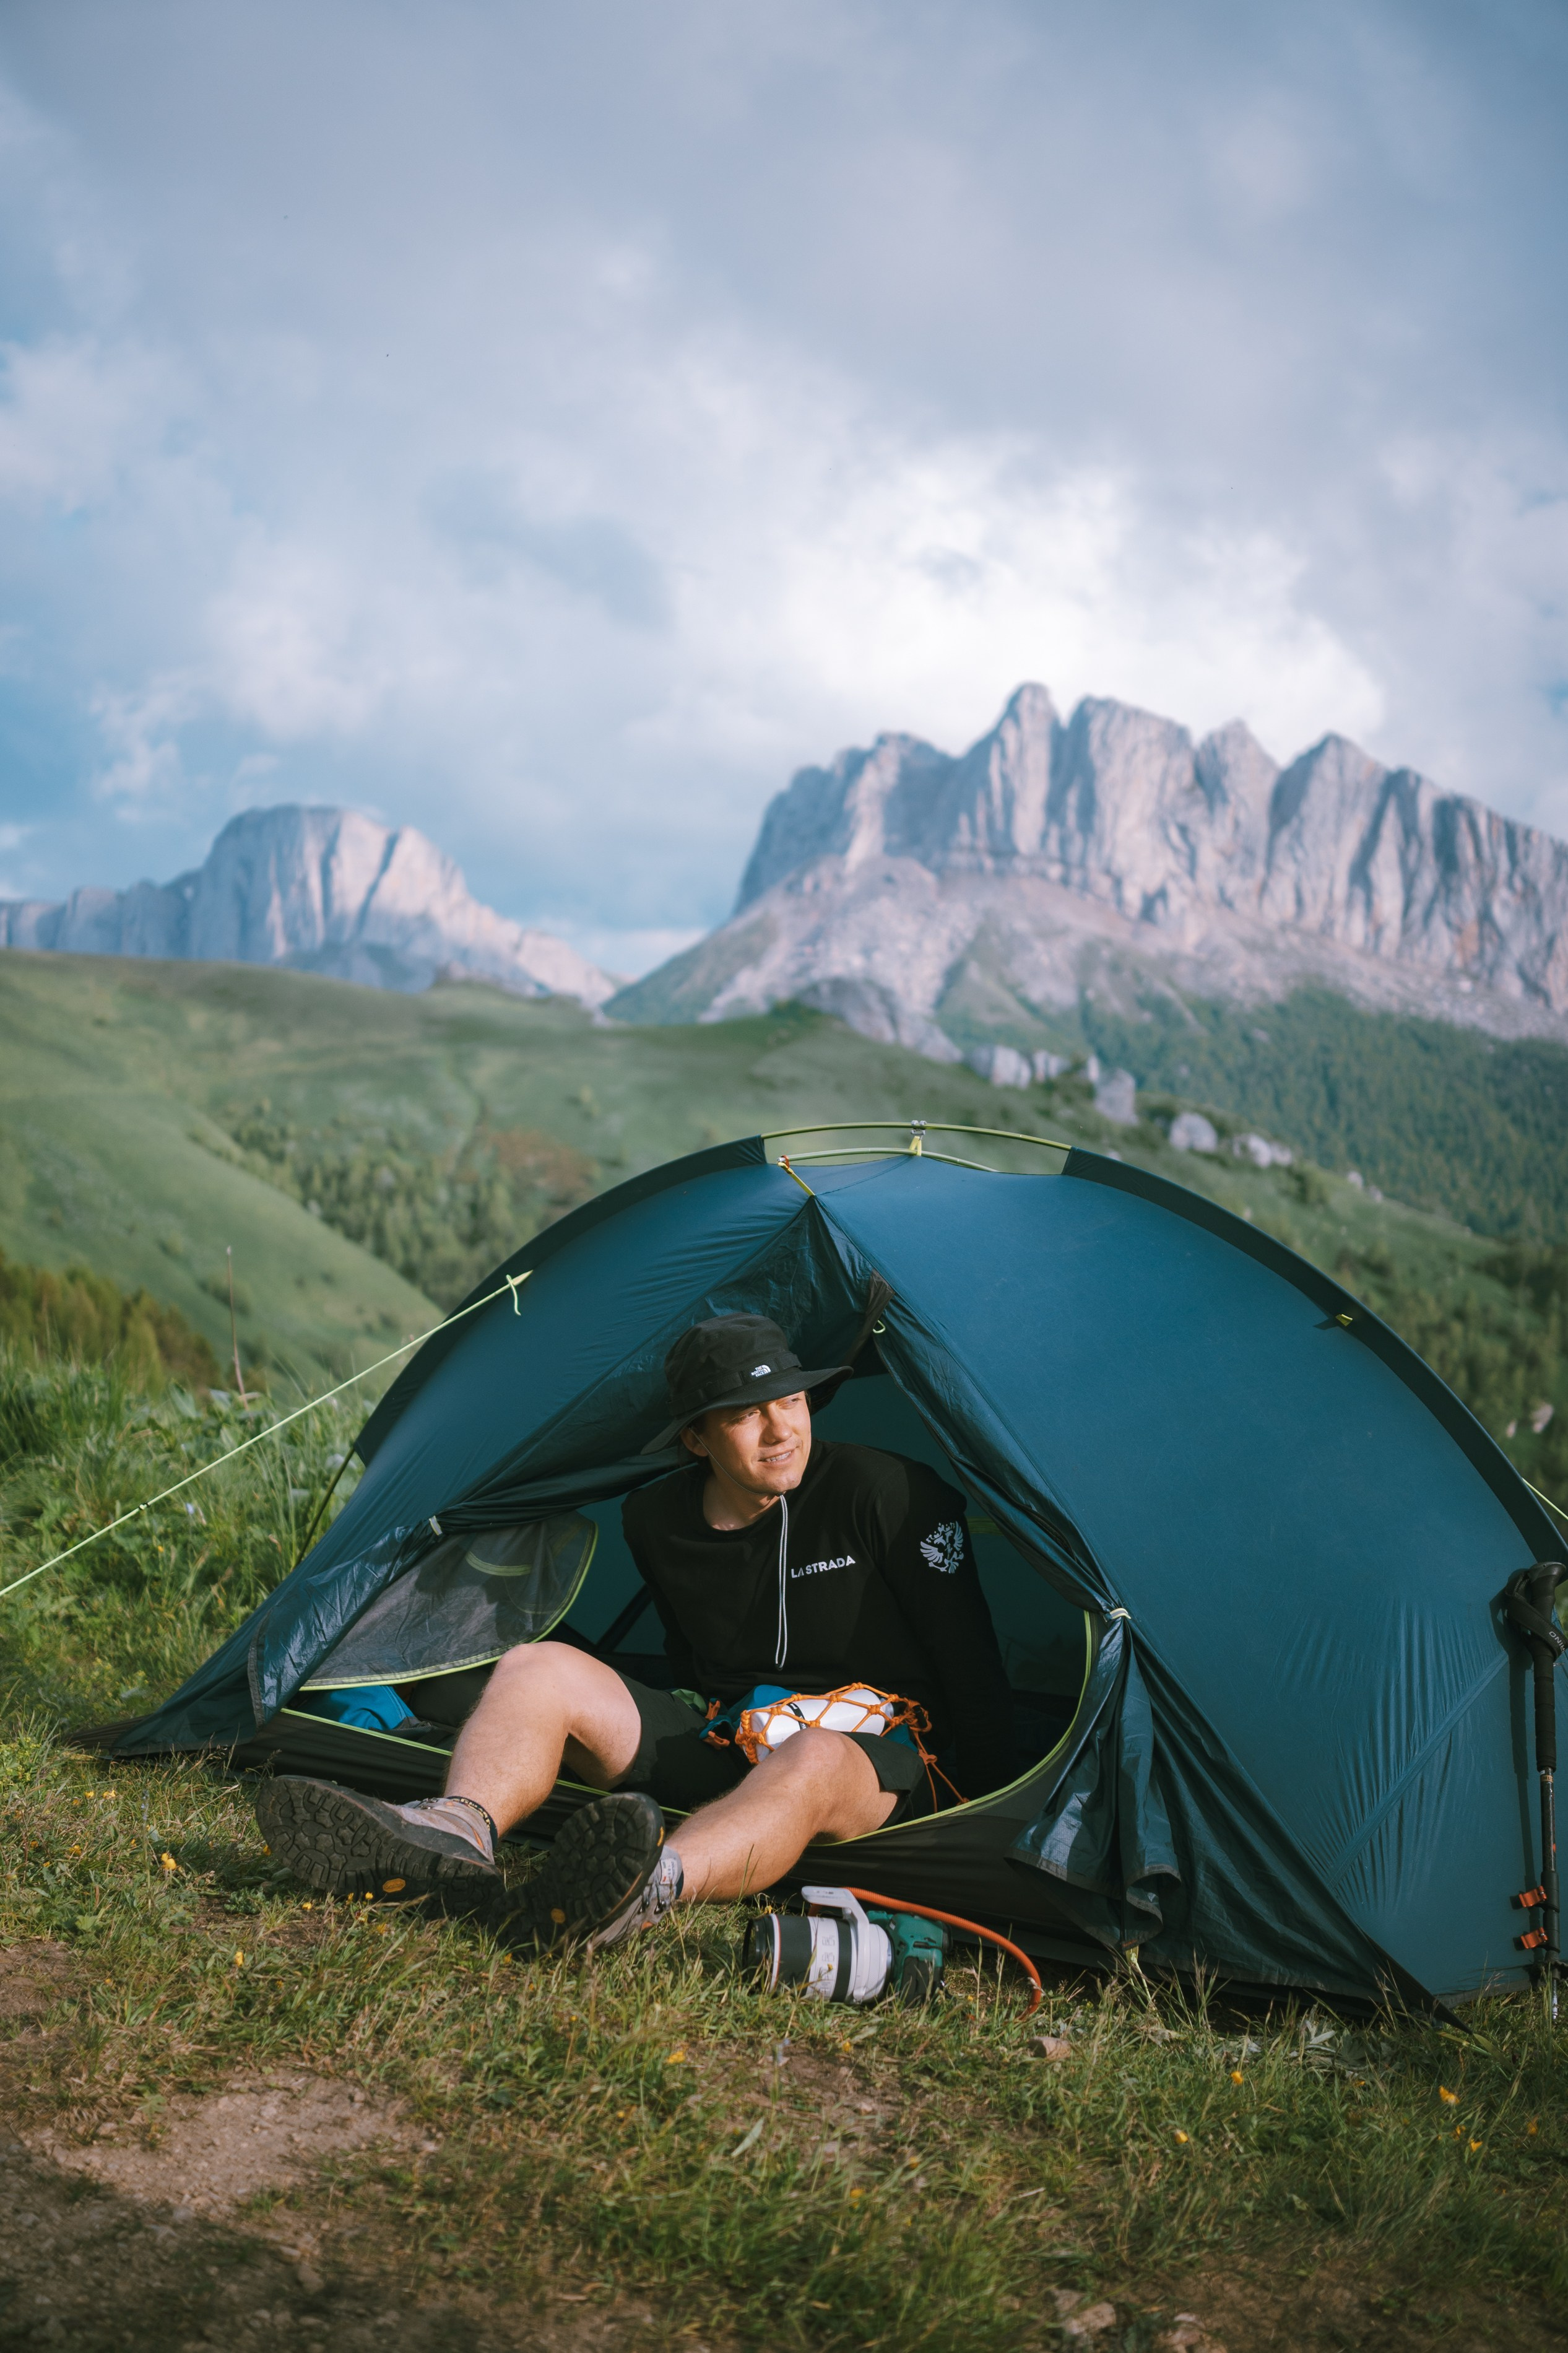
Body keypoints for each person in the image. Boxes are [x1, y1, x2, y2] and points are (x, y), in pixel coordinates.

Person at [255, 1311, 1015, 1951]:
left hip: (875, 1764)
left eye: (792, 1399)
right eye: (745, 1413)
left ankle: (636, 1889)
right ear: (695, 1440)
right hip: (736, 1737)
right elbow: (695, 1659)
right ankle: (456, 1834)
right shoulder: (654, 1519)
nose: (780, 1427)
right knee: (539, 1664)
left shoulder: (887, 1493)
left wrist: (977, 1838)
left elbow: (970, 1664)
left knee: (813, 1755)